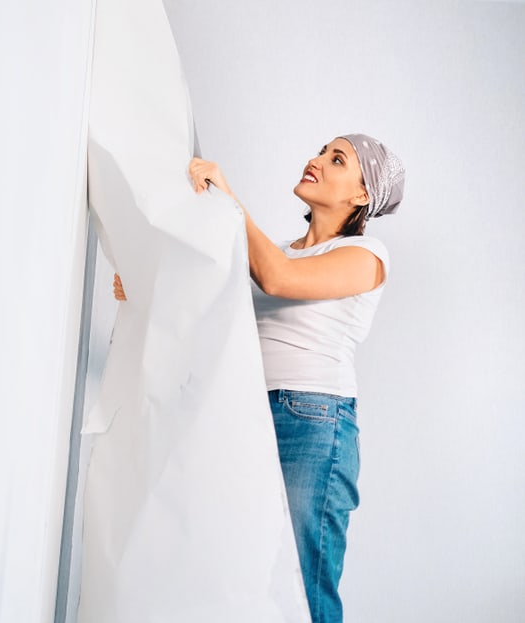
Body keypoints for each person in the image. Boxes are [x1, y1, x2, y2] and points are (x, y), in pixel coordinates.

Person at [112, 134, 405, 623]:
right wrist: (147, 286)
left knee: (304, 586)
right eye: (320, 151)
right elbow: (218, 312)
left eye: (337, 160)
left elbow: (279, 279)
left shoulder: (366, 254)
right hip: (249, 413)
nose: (316, 161)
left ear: (361, 196)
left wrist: (229, 201)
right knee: (242, 578)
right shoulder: (279, 250)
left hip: (313, 423)